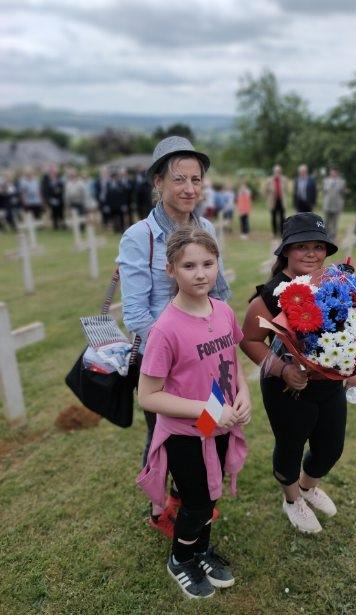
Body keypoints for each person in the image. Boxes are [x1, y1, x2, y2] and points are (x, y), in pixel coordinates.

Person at [117, 136, 230, 536]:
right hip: (163, 362)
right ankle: (157, 505)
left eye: (196, 179)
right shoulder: (139, 237)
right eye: (178, 179)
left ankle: (189, 491)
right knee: (163, 431)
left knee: (205, 425)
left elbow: (220, 290)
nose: (188, 189)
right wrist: (176, 349)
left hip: (209, 356)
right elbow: (136, 313)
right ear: (158, 182)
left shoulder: (208, 228)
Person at [137, 226, 250, 599]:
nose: (201, 273)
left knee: (210, 496)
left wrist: (244, 394)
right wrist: (204, 409)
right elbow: (148, 396)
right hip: (187, 432)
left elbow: (232, 361)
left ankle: (200, 550)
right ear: (171, 270)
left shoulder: (223, 311)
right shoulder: (166, 329)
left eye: (208, 263)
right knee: (197, 499)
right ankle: (181, 558)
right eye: (189, 266)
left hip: (218, 424)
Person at [240, 212, 356, 534]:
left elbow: (347, 330)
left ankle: (308, 487)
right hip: (287, 389)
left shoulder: (334, 282)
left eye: (318, 246)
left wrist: (353, 372)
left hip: (329, 385)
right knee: (291, 446)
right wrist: (282, 369)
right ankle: (293, 499)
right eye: (302, 246)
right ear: (285, 251)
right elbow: (249, 340)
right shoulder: (271, 294)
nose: (312, 253)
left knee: (330, 448)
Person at [322, 166, 346, 240]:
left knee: (335, 223)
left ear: (337, 173)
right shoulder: (326, 181)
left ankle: (333, 238)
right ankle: (325, 237)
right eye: (332, 172)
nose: (333, 174)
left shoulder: (342, 182)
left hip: (336, 205)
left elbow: (343, 193)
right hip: (328, 205)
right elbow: (325, 191)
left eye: (335, 172)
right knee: (326, 222)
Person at [265, 164, 289, 237]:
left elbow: (286, 190)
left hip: (281, 201)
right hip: (273, 201)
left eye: (279, 171)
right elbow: (265, 190)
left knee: (282, 217)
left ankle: (282, 232)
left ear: (280, 172)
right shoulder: (269, 180)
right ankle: (274, 233)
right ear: (274, 172)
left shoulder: (284, 179)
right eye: (276, 171)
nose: (277, 172)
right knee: (273, 217)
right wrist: (269, 194)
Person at [41, 165, 65, 230]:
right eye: (52, 172)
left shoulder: (59, 180)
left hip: (59, 198)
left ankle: (63, 224)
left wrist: (59, 191)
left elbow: (62, 188)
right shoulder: (47, 180)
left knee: (61, 213)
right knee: (54, 213)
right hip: (52, 199)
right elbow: (46, 190)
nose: (53, 174)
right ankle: (55, 225)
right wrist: (48, 199)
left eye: (54, 172)